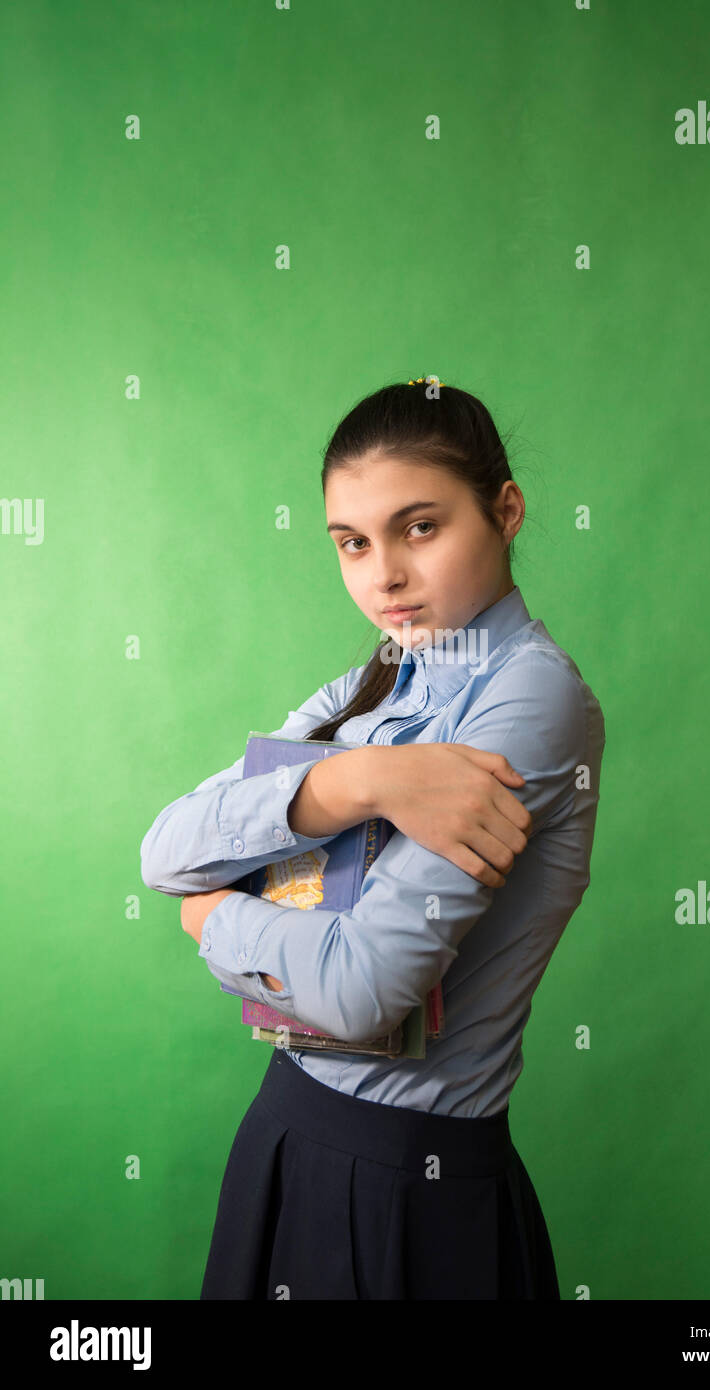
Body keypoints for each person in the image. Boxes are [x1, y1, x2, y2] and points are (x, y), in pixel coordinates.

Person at [140, 378, 606, 1299]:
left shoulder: (533, 698)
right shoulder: (374, 685)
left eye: (419, 527)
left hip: (406, 1174)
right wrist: (361, 779)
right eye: (352, 542)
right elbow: (163, 852)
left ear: (505, 511)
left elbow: (359, 990)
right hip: (286, 1131)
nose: (382, 575)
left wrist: (209, 922)